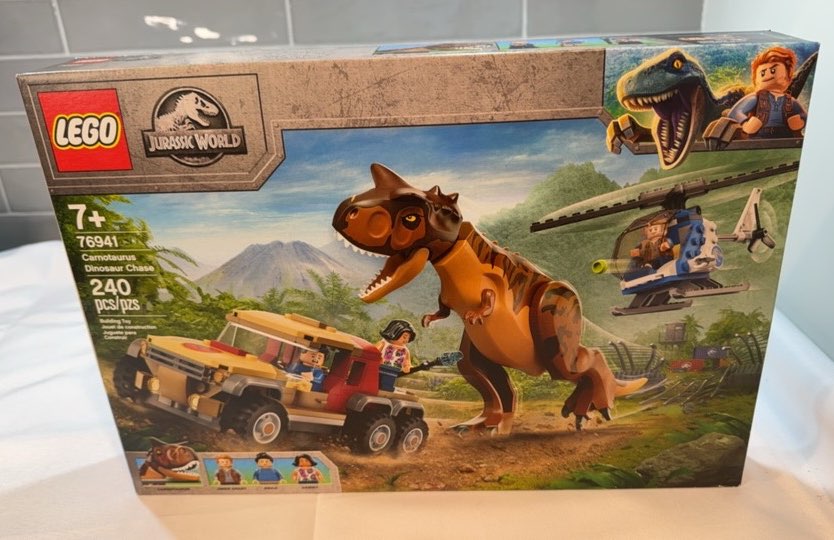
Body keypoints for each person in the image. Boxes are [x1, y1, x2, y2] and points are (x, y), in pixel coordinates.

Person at [727, 46, 807, 138]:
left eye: (773, 70)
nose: (768, 75)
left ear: (787, 78)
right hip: (759, 136)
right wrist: (745, 124)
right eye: (762, 73)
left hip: (786, 136)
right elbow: (735, 112)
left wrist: (801, 120)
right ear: (756, 81)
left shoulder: (790, 100)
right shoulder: (756, 98)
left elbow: (804, 115)